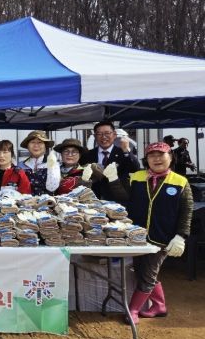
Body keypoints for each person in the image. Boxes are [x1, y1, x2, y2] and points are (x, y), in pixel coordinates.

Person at [106, 142, 193, 324]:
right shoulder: (137, 177)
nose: (157, 159)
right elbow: (123, 197)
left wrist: (181, 236)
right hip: (137, 236)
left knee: (148, 274)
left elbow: (186, 211)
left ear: (171, 157)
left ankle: (133, 310)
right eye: (152, 155)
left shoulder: (180, 181)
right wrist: (113, 180)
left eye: (161, 155)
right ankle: (159, 306)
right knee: (141, 271)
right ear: (146, 159)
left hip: (163, 238)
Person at [81, 121, 140, 201]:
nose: (104, 137)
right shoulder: (88, 154)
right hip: (94, 200)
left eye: (107, 133)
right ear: (95, 136)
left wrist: (126, 151)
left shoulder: (123, 153)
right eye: (99, 134)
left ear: (114, 135)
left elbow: (135, 169)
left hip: (118, 199)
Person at [17, 130, 60, 195]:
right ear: (27, 146)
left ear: (45, 146)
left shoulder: (53, 164)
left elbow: (52, 188)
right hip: (25, 201)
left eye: (40, 142)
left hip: (48, 201)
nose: (36, 145)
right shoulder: (20, 165)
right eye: (32, 142)